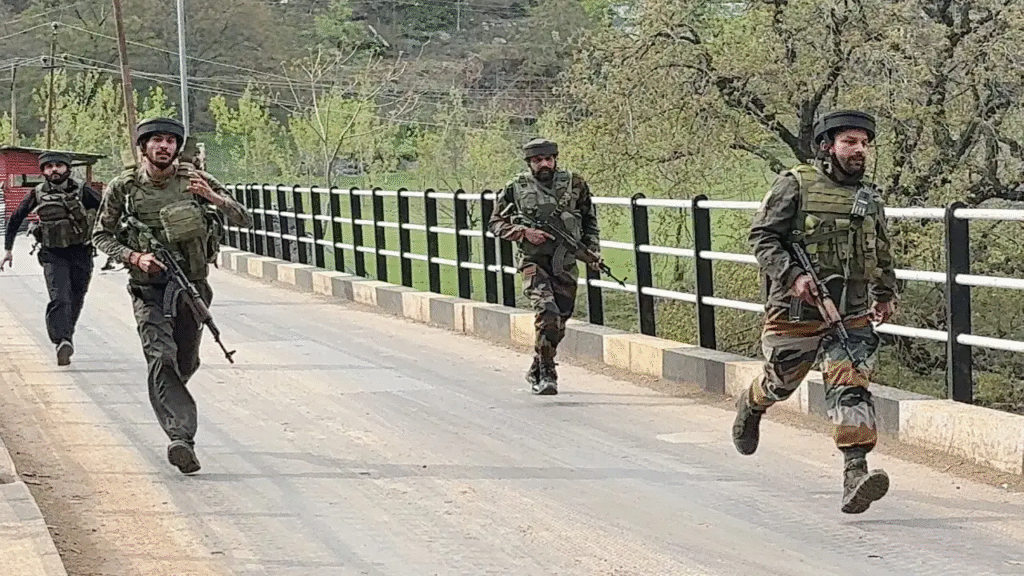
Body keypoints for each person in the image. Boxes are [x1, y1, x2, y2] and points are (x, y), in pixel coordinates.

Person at [733, 110, 899, 514]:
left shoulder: (869, 197)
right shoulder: (795, 185)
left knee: (851, 384)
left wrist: (885, 292)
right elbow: (762, 237)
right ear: (827, 146)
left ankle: (855, 472)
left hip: (853, 311)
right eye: (850, 143)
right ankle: (752, 404)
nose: (859, 151)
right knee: (782, 382)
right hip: (796, 310)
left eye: (864, 143)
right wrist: (793, 277)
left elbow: (879, 248)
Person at [92, 117, 252, 474]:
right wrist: (135, 257)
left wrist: (212, 197)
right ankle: (182, 438)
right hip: (148, 289)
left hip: (192, 285)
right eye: (157, 141)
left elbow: (245, 218)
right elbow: (100, 235)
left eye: (170, 141)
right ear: (144, 146)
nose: (164, 147)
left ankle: (167, 397)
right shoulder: (124, 187)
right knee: (161, 357)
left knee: (186, 360)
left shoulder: (194, 179)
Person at [488, 138, 602, 395]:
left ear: (555, 160)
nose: (544, 164)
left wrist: (592, 251)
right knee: (547, 311)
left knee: (560, 320)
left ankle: (537, 365)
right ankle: (549, 372)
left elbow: (589, 220)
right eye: (538, 161)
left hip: (565, 263)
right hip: (533, 262)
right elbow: (495, 223)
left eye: (548, 159)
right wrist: (523, 232)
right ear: (529, 163)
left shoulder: (574, 184)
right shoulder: (515, 188)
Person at [1, 151, 101, 365]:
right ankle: (61, 340)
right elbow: (16, 218)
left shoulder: (83, 191)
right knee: (59, 298)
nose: (54, 170)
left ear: (68, 168)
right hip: (52, 254)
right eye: (49, 166)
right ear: (43, 171)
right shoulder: (37, 193)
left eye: (58, 165)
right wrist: (8, 249)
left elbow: (107, 211)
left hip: (81, 251)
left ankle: (67, 337)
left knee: (76, 298)